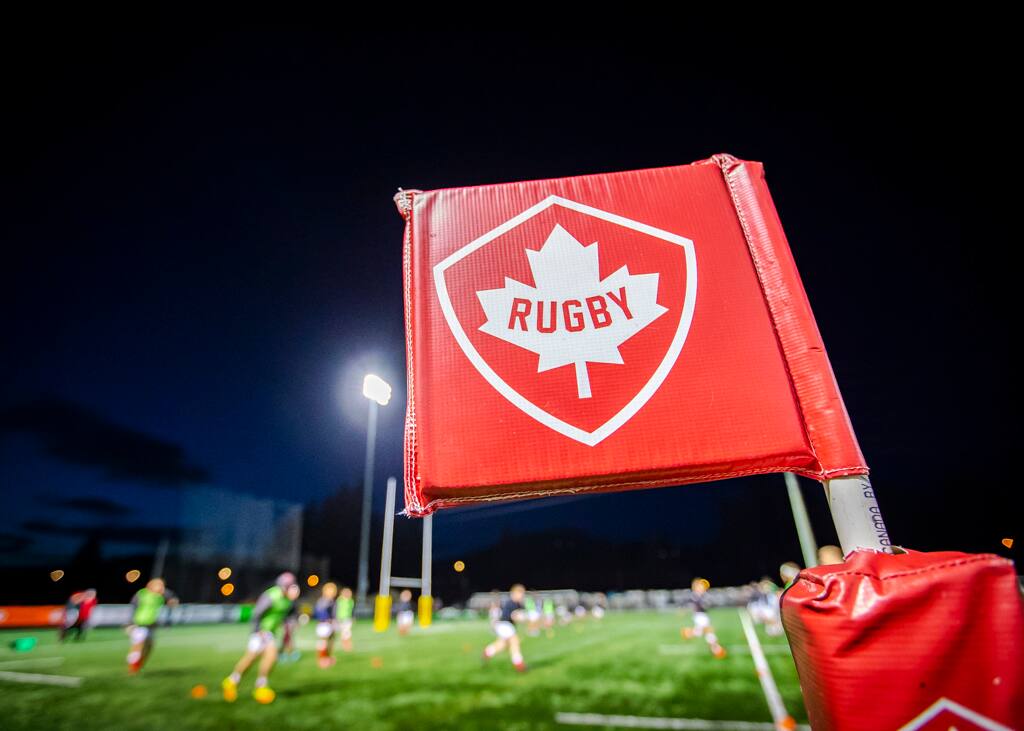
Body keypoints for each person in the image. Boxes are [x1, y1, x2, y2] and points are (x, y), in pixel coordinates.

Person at [222, 572, 300, 704]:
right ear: (284, 586)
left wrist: (291, 623)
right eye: (291, 585)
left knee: (266, 656)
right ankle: (236, 682)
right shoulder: (272, 595)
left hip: (271, 632)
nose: (294, 588)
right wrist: (257, 631)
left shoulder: (288, 600)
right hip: (261, 631)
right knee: (253, 657)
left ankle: (255, 685)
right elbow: (257, 613)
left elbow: (287, 615)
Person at [126, 578, 176, 673]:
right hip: (140, 623)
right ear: (150, 585)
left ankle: (138, 664)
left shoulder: (160, 596)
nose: (161, 588)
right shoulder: (142, 594)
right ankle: (132, 668)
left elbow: (172, 599)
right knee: (138, 645)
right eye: (159, 585)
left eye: (162, 585)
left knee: (149, 646)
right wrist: (130, 623)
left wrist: (172, 602)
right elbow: (133, 607)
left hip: (152, 625)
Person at [482, 583, 528, 672]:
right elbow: (513, 616)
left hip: (506, 626)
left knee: (502, 644)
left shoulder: (517, 604)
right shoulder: (511, 603)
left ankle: (487, 652)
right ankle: (519, 665)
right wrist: (523, 618)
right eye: (521, 593)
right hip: (505, 625)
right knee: (515, 642)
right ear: (515, 593)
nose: (522, 595)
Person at [681, 578, 726, 659]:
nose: (701, 587)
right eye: (699, 586)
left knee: (705, 632)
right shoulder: (695, 595)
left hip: (703, 616)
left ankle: (689, 633)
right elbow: (692, 604)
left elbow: (708, 604)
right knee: (709, 631)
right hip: (699, 616)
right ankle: (716, 649)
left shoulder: (702, 595)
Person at [313, 582, 338, 668]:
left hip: (329, 624)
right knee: (323, 642)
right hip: (324, 624)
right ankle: (322, 659)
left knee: (330, 641)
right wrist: (327, 619)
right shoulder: (323, 601)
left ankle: (327, 657)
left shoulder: (331, 601)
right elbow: (319, 612)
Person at [337, 586, 355, 652]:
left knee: (347, 632)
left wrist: (353, 617)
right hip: (341, 618)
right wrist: (337, 618)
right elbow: (336, 610)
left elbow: (352, 610)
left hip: (348, 618)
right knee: (344, 632)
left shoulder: (351, 601)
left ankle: (348, 644)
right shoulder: (339, 600)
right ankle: (344, 645)